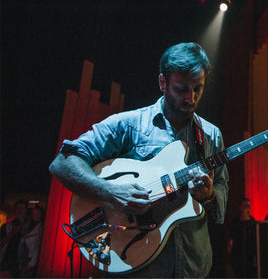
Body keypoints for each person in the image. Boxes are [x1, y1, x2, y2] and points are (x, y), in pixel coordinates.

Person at [49, 42, 229, 278]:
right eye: (182, 89)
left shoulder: (211, 135)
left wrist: (209, 195)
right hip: (137, 264)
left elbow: (222, 186)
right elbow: (63, 163)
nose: (190, 98)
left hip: (193, 265)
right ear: (162, 83)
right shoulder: (128, 124)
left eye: (198, 89)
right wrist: (110, 191)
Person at [228, 198, 256, 278]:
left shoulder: (252, 222)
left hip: (250, 255)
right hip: (238, 254)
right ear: (240, 207)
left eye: (248, 206)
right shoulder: (236, 222)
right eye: (245, 206)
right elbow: (231, 238)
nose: (247, 208)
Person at [0, 199, 29, 277]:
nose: (20, 211)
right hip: (6, 263)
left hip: (23, 264)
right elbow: (1, 243)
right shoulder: (6, 226)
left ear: (26, 211)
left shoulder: (30, 227)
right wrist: (12, 232)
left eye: (23, 208)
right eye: (18, 208)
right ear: (15, 210)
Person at [16, 205, 45, 277]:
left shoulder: (42, 229)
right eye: (34, 214)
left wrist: (31, 264)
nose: (37, 216)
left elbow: (38, 248)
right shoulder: (28, 226)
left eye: (38, 213)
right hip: (22, 259)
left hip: (31, 260)